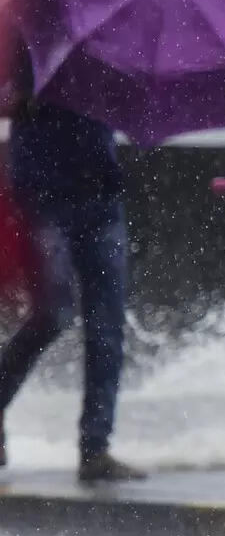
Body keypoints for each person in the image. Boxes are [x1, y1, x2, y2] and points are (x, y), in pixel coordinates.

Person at [0, 72, 143, 482]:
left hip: (101, 199)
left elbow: (134, 108)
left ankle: (95, 448)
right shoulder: (29, 36)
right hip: (41, 202)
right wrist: (21, 93)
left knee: (107, 328)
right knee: (53, 313)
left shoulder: (114, 46)